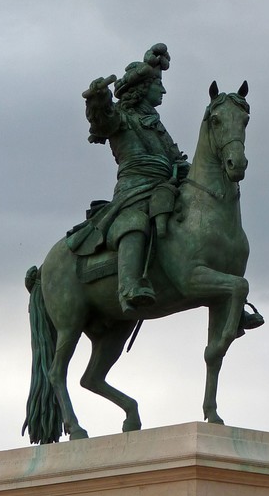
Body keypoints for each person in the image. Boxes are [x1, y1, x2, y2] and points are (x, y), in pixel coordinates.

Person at [67, 43, 190, 312]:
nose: (164, 90)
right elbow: (102, 121)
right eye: (158, 85)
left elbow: (176, 158)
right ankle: (129, 285)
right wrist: (98, 99)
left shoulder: (156, 125)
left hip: (166, 185)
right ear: (143, 89)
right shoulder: (121, 118)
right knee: (133, 221)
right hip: (135, 188)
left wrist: (185, 169)